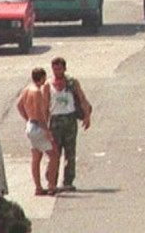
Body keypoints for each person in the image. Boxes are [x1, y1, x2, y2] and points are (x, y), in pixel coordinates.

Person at [48, 57, 92, 191]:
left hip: (69, 120)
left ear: (64, 69)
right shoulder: (48, 84)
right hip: (55, 121)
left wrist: (87, 116)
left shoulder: (72, 83)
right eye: (55, 69)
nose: (57, 72)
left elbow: (82, 98)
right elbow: (44, 105)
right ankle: (51, 182)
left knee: (70, 152)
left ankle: (68, 181)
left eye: (59, 69)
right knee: (54, 153)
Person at [17, 67, 59, 195]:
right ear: (41, 78)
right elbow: (40, 114)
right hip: (38, 126)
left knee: (36, 156)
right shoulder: (37, 93)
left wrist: (27, 118)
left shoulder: (27, 90)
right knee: (54, 155)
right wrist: (46, 130)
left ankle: (38, 187)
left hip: (30, 125)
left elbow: (19, 105)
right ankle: (51, 185)